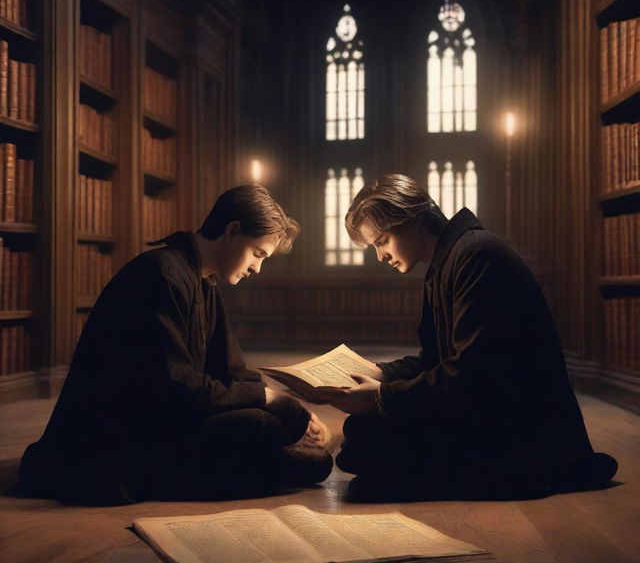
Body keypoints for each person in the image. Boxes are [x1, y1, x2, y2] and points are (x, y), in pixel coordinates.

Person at [19, 185, 332, 504]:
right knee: (261, 426)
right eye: (257, 253)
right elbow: (177, 388)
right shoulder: (160, 274)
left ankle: (262, 464)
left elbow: (232, 370)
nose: (257, 268)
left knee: (313, 458)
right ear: (233, 230)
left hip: (172, 421)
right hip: (123, 441)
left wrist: (294, 411)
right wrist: (271, 401)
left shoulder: (203, 280)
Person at [321, 174, 617, 501]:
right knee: (361, 437)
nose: (381, 257)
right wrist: (380, 374)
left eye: (382, 241)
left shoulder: (477, 255)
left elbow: (473, 378)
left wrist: (382, 397)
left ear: (412, 219)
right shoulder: (447, 261)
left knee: (365, 440)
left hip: (518, 433)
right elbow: (436, 360)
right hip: (480, 410)